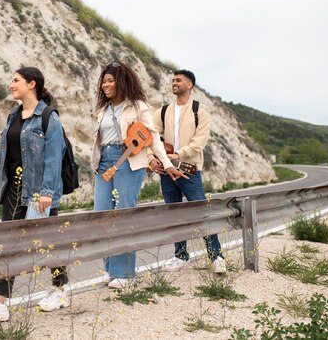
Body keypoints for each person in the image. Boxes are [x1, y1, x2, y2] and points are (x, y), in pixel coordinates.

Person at [0, 67, 69, 322]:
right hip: (14, 188)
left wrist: (46, 191)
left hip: (39, 191)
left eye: (16, 80)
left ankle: (60, 290)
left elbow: (54, 158)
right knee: (7, 244)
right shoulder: (13, 115)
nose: (11, 84)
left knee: (48, 242)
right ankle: (0, 302)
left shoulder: (48, 117)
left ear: (31, 84)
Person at [91, 61, 187, 289]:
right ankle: (109, 269)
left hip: (128, 161)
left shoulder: (138, 107)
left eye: (110, 81)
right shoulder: (102, 109)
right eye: (103, 81)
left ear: (122, 82)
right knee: (102, 215)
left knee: (124, 215)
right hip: (105, 160)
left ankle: (123, 273)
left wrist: (166, 163)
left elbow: (153, 138)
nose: (105, 85)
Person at [148, 69, 226, 274]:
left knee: (202, 213)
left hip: (190, 172)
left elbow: (200, 142)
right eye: (173, 80)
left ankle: (216, 256)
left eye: (178, 80)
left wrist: (179, 154)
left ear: (189, 85)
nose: (174, 82)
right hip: (167, 173)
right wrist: (151, 160)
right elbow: (150, 137)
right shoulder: (163, 111)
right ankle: (180, 256)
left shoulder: (199, 111)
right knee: (174, 215)